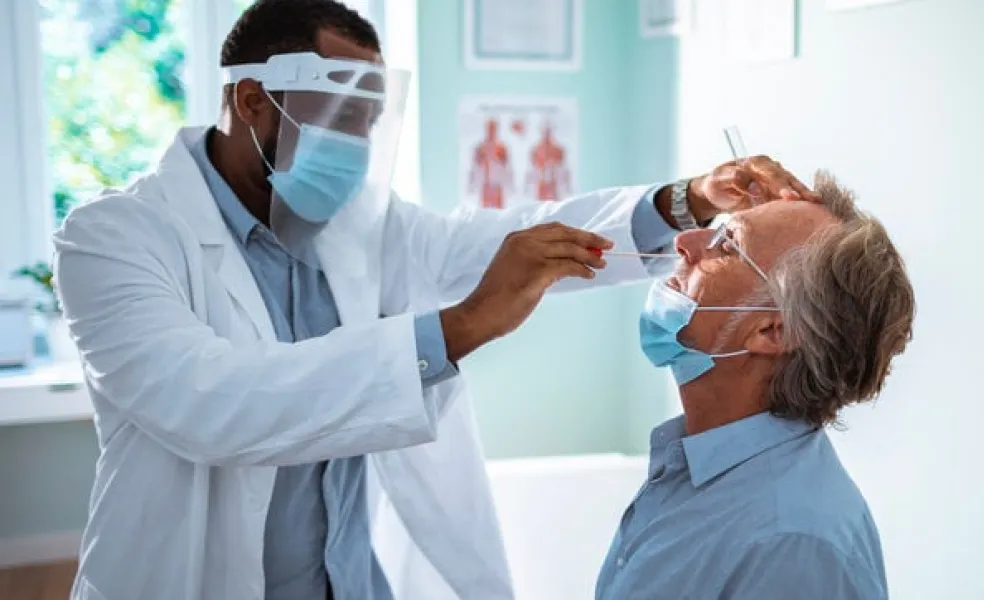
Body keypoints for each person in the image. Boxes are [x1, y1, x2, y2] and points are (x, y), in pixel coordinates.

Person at [51, 1, 814, 599]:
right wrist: (455, 329)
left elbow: (509, 239)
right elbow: (210, 403)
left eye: (369, 122)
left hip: (349, 581)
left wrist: (686, 202)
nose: (355, 143)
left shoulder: (357, 226)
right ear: (252, 99)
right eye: (340, 116)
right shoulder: (114, 237)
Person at [596, 172, 916, 599]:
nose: (686, 243)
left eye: (728, 244)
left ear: (771, 332)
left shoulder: (794, 544)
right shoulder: (691, 468)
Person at [468, 118, 513, 208]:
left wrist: (510, 185)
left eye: (493, 128)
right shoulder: (480, 148)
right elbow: (474, 167)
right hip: (486, 185)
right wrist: (472, 184)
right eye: (489, 128)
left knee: (499, 212)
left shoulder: (502, 147)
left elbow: (507, 167)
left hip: (497, 185)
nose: (491, 131)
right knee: (486, 211)